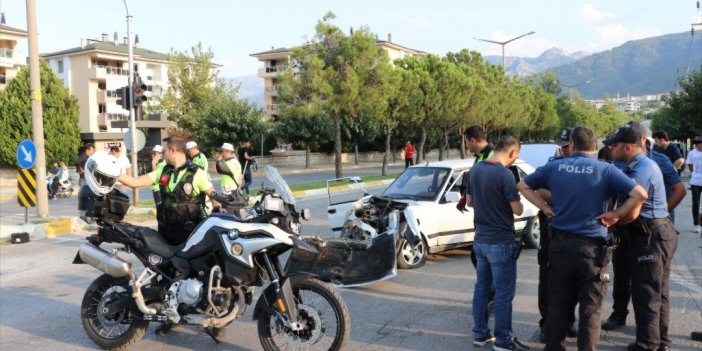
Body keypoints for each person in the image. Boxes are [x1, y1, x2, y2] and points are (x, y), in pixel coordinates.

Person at [518, 126, 647, 351]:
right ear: (594, 146)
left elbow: (522, 185)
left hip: (559, 246)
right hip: (592, 250)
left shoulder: (555, 167)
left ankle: (554, 347)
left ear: (573, 145)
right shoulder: (606, 170)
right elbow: (640, 194)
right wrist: (615, 215)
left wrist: (545, 208)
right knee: (591, 308)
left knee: (558, 301)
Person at [602, 131, 686, 334]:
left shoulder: (647, 165)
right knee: (645, 285)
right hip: (639, 230)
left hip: (648, 230)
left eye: (615, 145)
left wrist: (611, 220)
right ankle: (657, 339)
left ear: (631, 145)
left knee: (647, 290)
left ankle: (649, 342)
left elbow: (634, 208)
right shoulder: (623, 163)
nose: (610, 149)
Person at [465, 136, 530, 351]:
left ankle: (480, 334)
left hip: (480, 239)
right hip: (501, 241)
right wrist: (518, 192)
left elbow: (470, 202)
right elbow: (517, 210)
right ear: (512, 152)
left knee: (481, 289)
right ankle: (503, 340)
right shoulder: (504, 174)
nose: (514, 161)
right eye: (516, 157)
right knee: (503, 293)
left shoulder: (475, 170)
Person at [118, 134, 220, 246]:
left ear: (173, 150)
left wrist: (217, 209)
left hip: (191, 233)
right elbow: (134, 182)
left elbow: (212, 194)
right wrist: (114, 173)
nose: (162, 154)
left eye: (164, 151)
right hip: (166, 232)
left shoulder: (197, 173)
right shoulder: (162, 171)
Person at [534, 128, 578, 342]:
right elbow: (537, 190)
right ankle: (547, 325)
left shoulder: (585, 167)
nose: (564, 149)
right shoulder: (552, 165)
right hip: (551, 228)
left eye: (567, 145)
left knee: (572, 279)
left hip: (574, 231)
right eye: (562, 146)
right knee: (548, 278)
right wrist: (562, 198)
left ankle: (568, 321)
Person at [458, 125, 496, 308]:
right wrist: (465, 196)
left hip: (490, 217)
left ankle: (491, 293)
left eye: (466, 141)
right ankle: (490, 292)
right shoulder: (480, 157)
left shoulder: (491, 156)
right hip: (480, 217)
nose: (466, 145)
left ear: (473, 140)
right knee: (478, 256)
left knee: (481, 256)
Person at [687, 135, 702, 234]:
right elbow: (690, 165)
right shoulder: (692, 153)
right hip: (696, 180)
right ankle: (696, 224)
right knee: (696, 203)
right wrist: (694, 173)